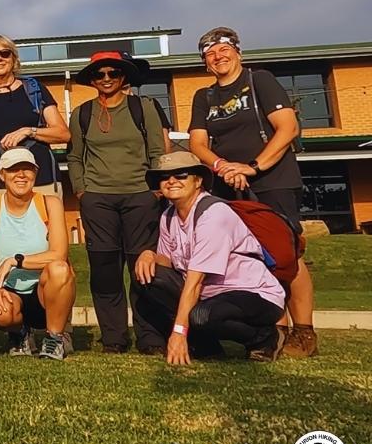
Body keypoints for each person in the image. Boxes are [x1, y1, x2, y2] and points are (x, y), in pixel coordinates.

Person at [187, 27, 317, 358]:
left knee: (287, 253)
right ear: (205, 62)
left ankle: (303, 332)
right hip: (228, 183)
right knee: (251, 256)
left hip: (272, 179)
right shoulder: (205, 97)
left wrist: (252, 167)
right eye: (210, 53)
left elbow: (288, 128)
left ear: (238, 53)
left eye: (223, 49)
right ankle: (274, 328)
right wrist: (223, 167)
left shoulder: (259, 80)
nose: (218, 56)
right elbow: (198, 144)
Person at [133, 151, 287, 364]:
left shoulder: (213, 214)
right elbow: (169, 263)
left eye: (181, 174)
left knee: (201, 316)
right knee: (147, 275)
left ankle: (264, 338)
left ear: (198, 181)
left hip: (253, 294)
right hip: (210, 295)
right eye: (164, 176)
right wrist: (148, 255)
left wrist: (178, 332)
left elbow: (195, 281)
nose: (171, 181)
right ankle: (206, 346)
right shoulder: (168, 216)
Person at [67, 51, 167, 354]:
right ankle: (114, 337)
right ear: (93, 80)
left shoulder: (143, 107)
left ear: (123, 76)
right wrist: (82, 192)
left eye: (113, 73)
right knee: (105, 269)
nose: (107, 79)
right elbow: (74, 157)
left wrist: (156, 191)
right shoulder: (81, 113)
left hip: (140, 196)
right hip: (98, 199)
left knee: (143, 268)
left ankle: (150, 337)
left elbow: (157, 151)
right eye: (100, 74)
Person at [0, 149, 76, 360]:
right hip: (10, 291)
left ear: (36, 172)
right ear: (1, 175)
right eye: (13, 169)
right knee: (0, 310)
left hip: (44, 290)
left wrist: (14, 261)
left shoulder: (50, 203)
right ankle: (20, 334)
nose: (21, 174)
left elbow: (59, 254)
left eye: (27, 169)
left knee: (59, 269)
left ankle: (54, 339)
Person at [0, 34, 70, 194]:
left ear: (13, 59)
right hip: (0, 183)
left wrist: (28, 131)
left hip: (40, 180)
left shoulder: (34, 89)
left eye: (5, 53)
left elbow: (63, 134)